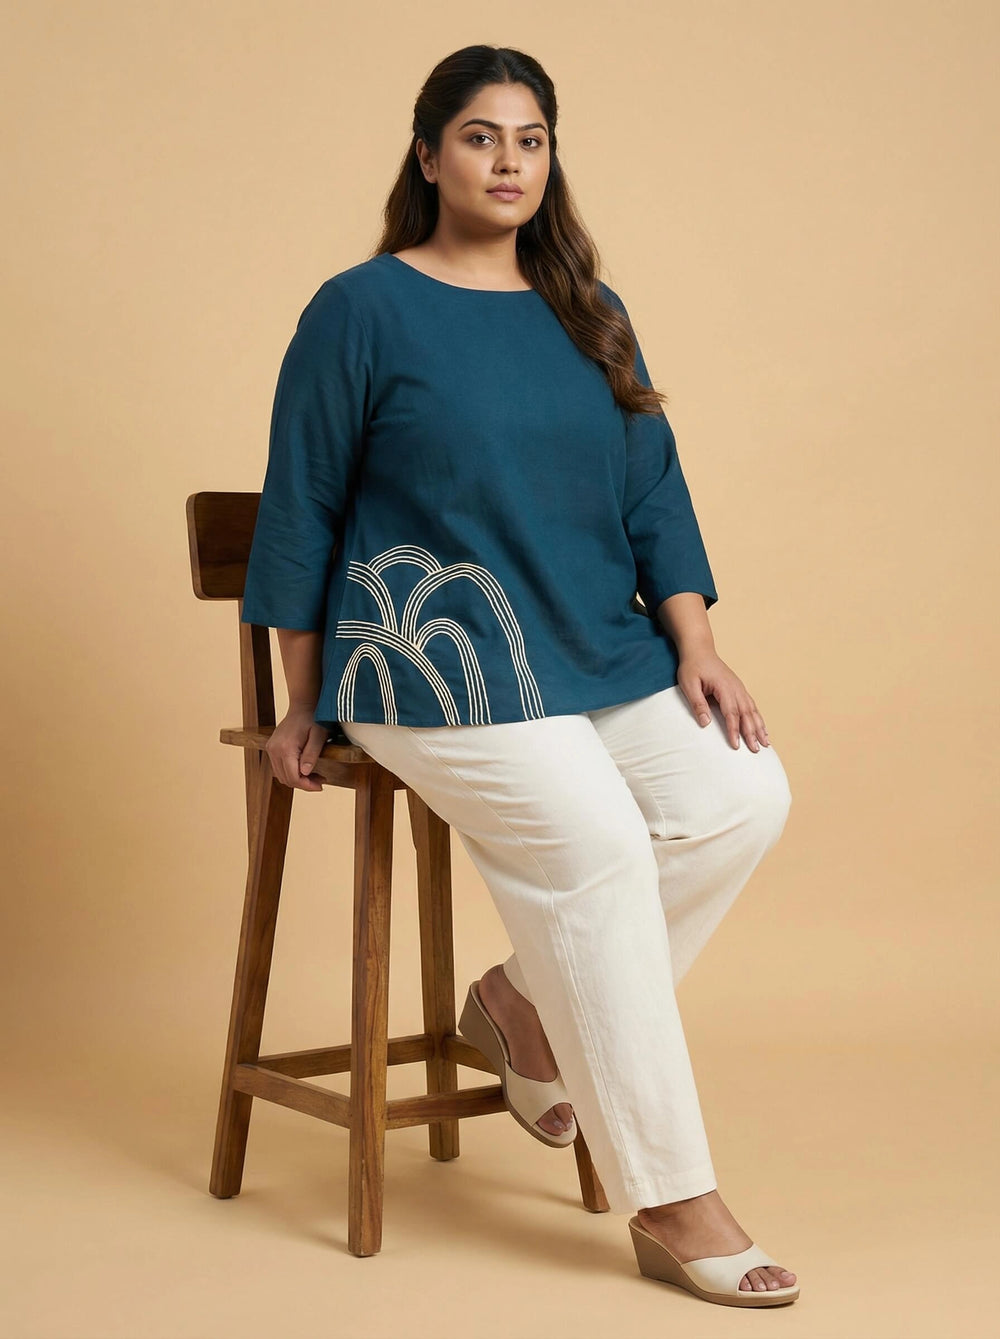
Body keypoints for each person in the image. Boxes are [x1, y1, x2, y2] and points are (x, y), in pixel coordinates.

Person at [240, 44, 799, 1309]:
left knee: (740, 797)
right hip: (427, 664)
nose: (508, 161)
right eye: (481, 136)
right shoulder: (359, 308)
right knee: (599, 846)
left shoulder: (588, 308)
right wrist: (300, 696)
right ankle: (672, 1197)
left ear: (550, 158)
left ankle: (518, 1003)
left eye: (530, 139)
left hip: (592, 643)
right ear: (429, 154)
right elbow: (302, 503)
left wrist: (696, 644)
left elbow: (653, 492)